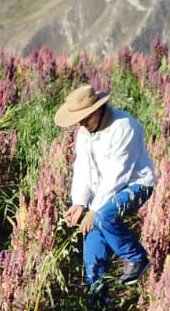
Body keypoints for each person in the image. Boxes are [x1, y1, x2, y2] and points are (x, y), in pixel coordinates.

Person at [55, 83, 156, 292]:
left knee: (103, 217)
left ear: (98, 109)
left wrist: (94, 210)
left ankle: (137, 258)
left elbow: (117, 174)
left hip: (136, 184)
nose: (81, 123)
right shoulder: (84, 132)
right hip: (103, 195)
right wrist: (80, 203)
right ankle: (97, 302)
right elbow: (82, 168)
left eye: (85, 117)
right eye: (78, 120)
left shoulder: (124, 126)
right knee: (91, 249)